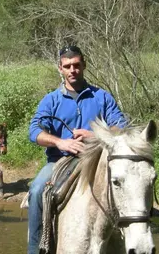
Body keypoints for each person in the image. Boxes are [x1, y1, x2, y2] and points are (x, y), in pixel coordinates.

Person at [26, 45, 127, 254]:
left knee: (131, 183)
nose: (73, 70)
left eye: (76, 65)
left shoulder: (102, 97)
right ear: (60, 69)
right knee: (36, 190)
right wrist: (61, 143)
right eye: (67, 66)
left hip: (98, 159)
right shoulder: (51, 99)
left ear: (84, 65)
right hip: (60, 161)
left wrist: (96, 135)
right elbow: (35, 130)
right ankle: (35, 249)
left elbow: (121, 126)